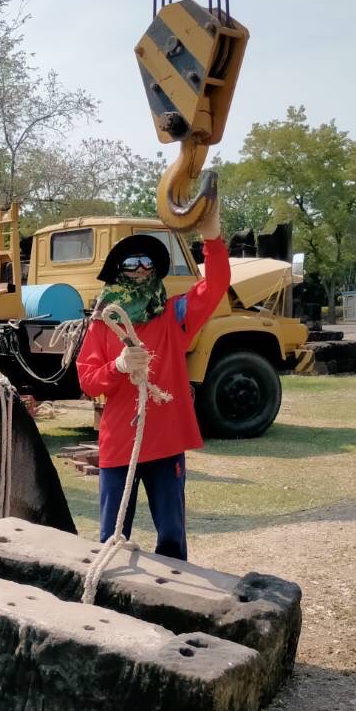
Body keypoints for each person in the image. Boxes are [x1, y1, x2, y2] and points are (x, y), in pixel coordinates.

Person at [75, 199, 230, 560]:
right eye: (132, 263)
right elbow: (89, 383)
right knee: (111, 538)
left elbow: (217, 283)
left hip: (165, 443)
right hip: (119, 447)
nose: (142, 269)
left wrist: (212, 237)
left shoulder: (174, 316)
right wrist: (118, 365)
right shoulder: (103, 324)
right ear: (118, 271)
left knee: (173, 537)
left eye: (148, 262)